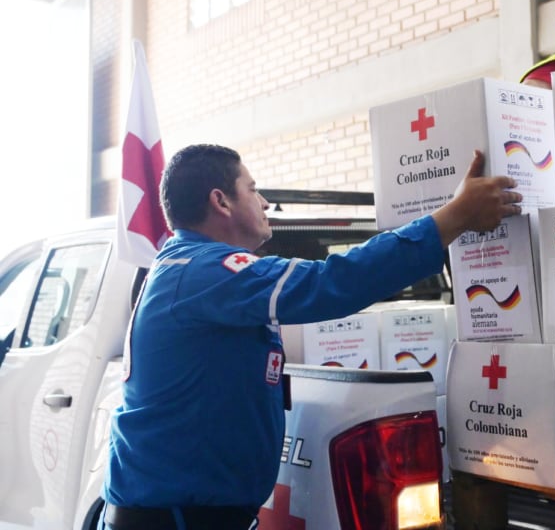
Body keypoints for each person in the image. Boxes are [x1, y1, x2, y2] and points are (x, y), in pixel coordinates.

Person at [100, 143, 521, 530]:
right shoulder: (203, 272)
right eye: (253, 189)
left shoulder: (186, 268)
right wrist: (454, 217)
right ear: (220, 201)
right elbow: (331, 282)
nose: (265, 203)